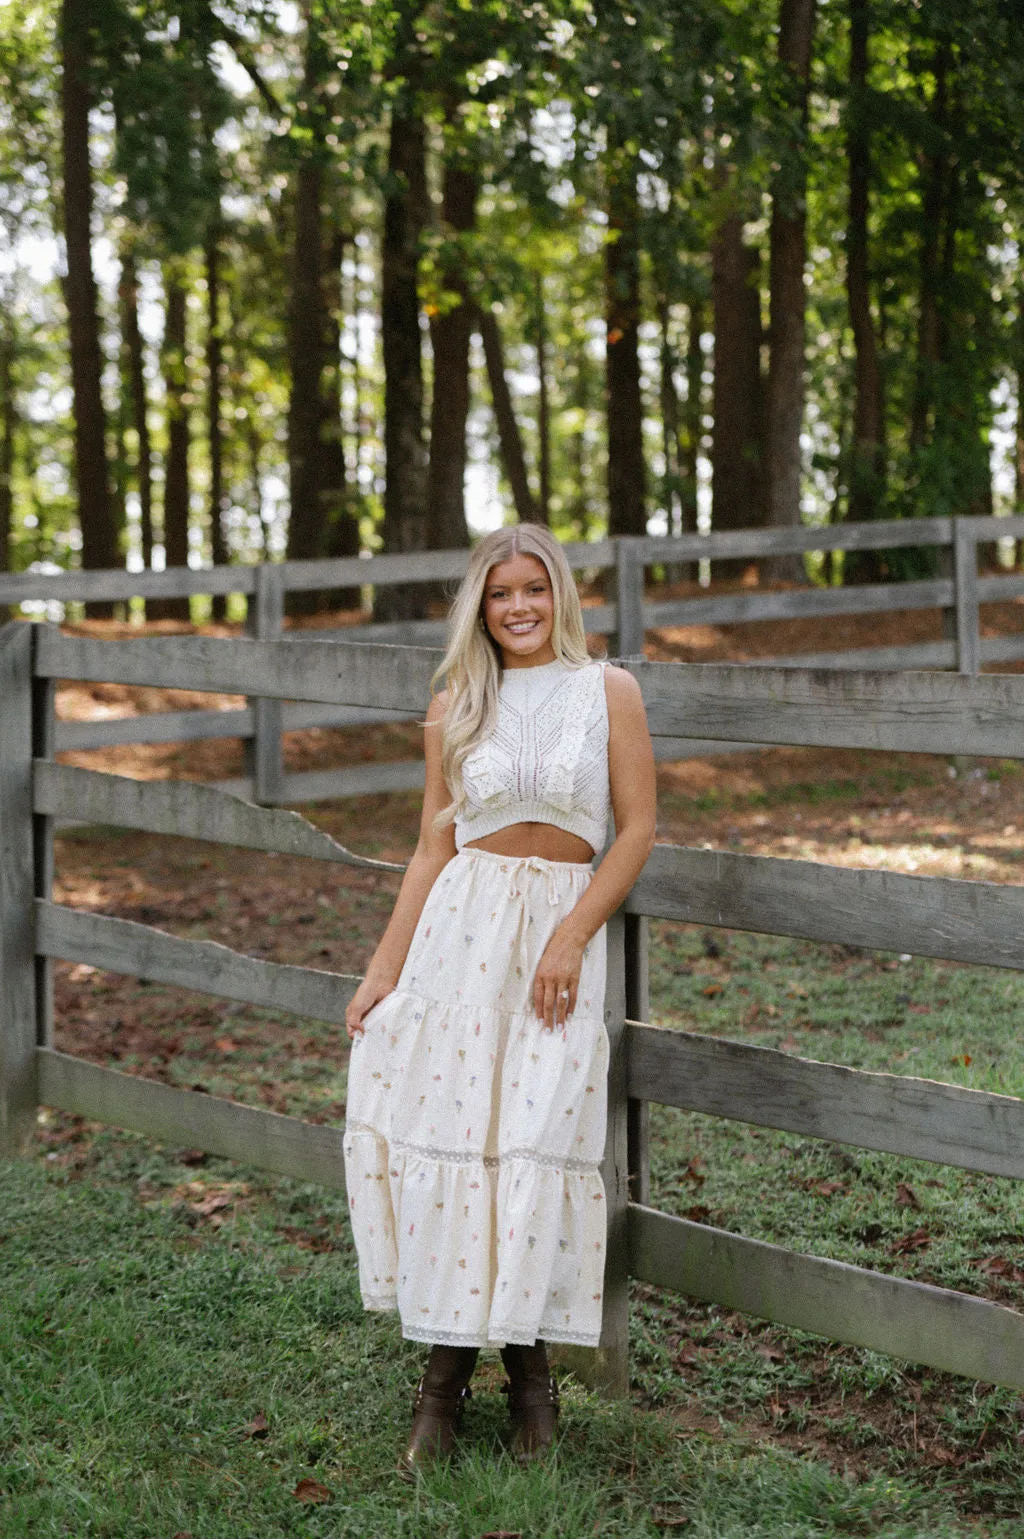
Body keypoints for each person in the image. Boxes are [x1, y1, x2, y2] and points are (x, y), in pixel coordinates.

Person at [343, 523, 656, 1473]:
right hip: (460, 942)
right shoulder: (454, 702)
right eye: (499, 593)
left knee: (533, 1142)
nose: (518, 607)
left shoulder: (609, 691)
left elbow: (636, 829)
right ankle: (443, 1391)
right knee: (464, 1148)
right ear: (479, 605)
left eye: (533, 588)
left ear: (560, 592)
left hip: (557, 936)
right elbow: (433, 848)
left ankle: (529, 1381)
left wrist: (570, 937)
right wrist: (383, 969)